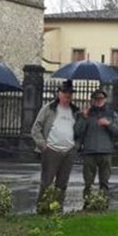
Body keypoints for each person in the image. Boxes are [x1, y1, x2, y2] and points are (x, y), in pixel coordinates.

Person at [31, 80, 82, 209]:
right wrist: (42, 145)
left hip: (68, 151)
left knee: (62, 183)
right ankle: (42, 207)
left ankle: (57, 208)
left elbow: (80, 130)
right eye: (64, 92)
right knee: (46, 182)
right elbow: (36, 128)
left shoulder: (75, 111)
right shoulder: (49, 109)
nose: (67, 95)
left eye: (70, 93)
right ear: (58, 93)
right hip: (51, 150)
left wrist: (76, 146)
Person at [75, 89, 118, 203]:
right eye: (96, 99)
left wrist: (108, 124)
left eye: (101, 98)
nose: (98, 101)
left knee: (104, 182)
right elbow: (77, 132)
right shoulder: (86, 113)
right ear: (92, 100)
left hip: (105, 151)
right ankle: (87, 203)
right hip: (89, 152)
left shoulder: (111, 114)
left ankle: (103, 203)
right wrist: (83, 118)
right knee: (88, 182)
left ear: (105, 100)